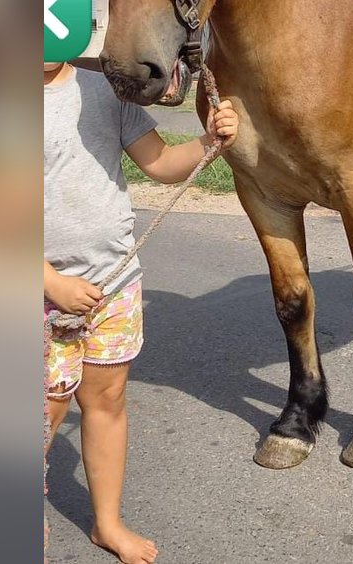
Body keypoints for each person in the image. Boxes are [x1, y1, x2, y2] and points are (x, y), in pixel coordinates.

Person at [44, 59, 237, 564]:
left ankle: (107, 523)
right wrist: (50, 282)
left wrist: (209, 141)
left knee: (106, 401)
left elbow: (159, 164)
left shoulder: (102, 91)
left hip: (114, 284)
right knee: (42, 410)